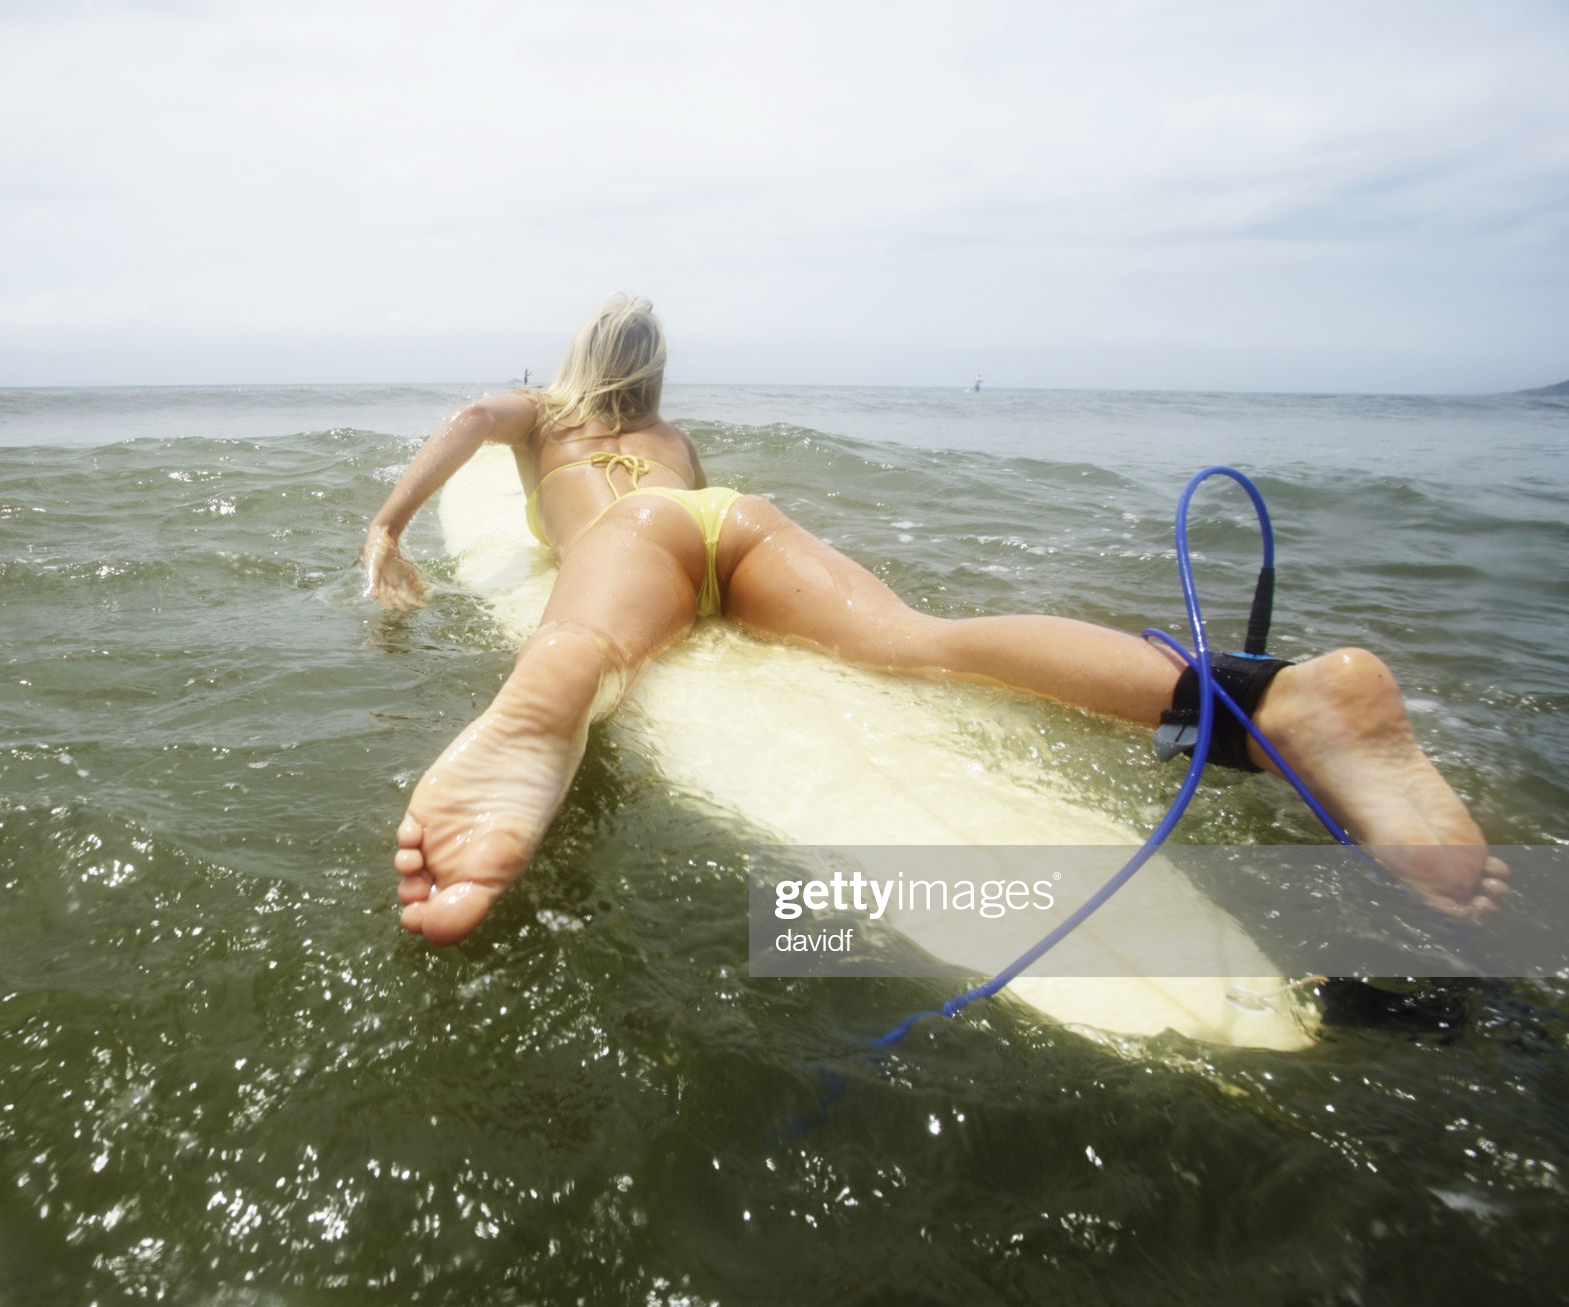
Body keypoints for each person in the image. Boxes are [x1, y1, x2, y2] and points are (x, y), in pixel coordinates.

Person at [360, 296, 1506, 945]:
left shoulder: (542, 414)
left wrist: (388, 526)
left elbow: (473, 412)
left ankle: (543, 710)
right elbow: (690, 515)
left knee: (591, 638)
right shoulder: (674, 442)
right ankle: (1265, 697)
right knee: (917, 640)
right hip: (733, 522)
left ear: (576, 365)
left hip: (633, 537)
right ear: (656, 377)